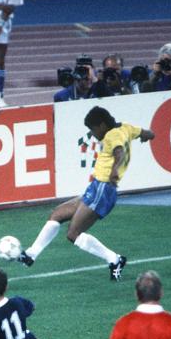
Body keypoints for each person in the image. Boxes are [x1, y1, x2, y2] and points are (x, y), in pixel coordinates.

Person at [18, 106, 154, 281]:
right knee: (57, 214)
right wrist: (147, 136)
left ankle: (115, 259)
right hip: (96, 187)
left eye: (93, 129)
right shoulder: (126, 127)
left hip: (104, 189)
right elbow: (147, 133)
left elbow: (119, 153)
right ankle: (31, 254)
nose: (93, 133)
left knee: (73, 234)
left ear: (102, 125)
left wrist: (114, 171)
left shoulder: (112, 135)